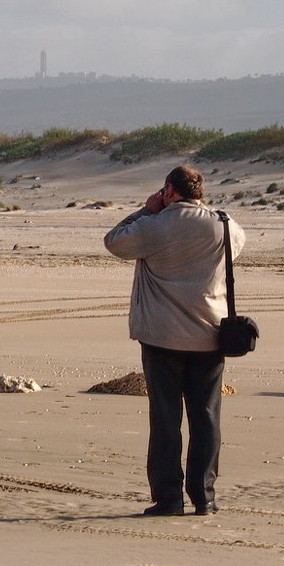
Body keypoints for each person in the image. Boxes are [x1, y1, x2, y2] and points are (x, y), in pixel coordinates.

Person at [103, 164, 245, 517]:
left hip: (162, 337)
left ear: (169, 190)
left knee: (166, 420)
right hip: (210, 334)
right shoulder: (224, 224)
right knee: (206, 419)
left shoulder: (157, 224)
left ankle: (169, 498)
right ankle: (205, 496)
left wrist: (146, 210)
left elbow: (115, 241)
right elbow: (234, 250)